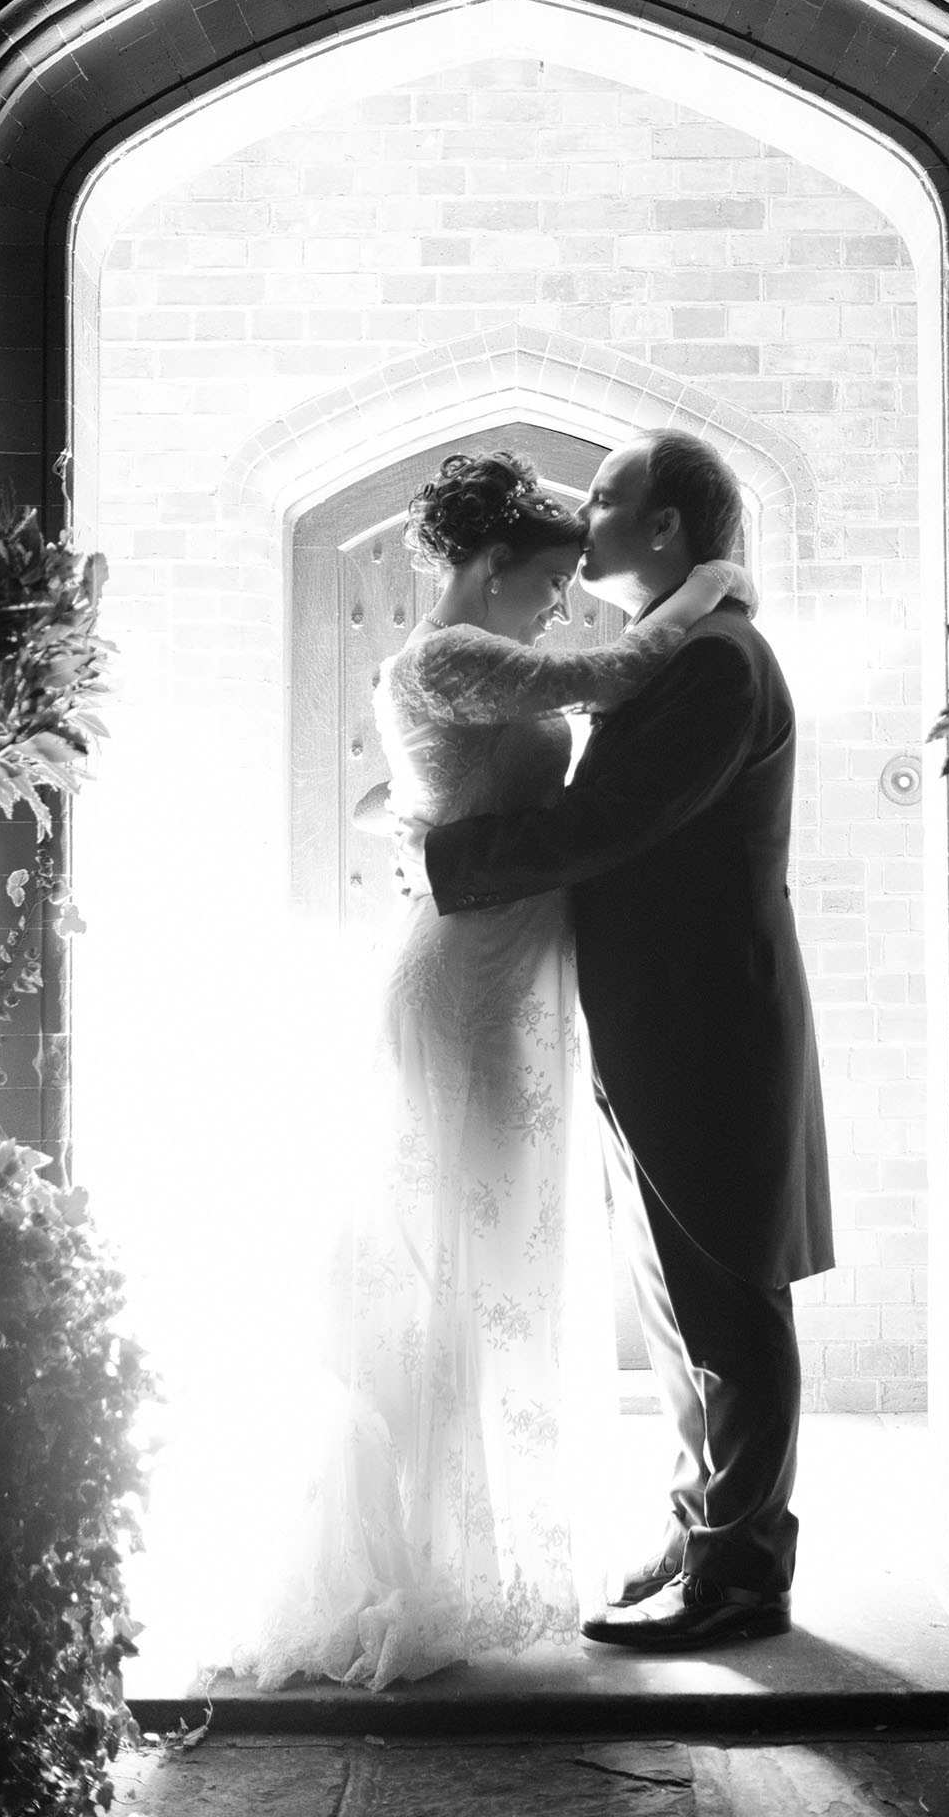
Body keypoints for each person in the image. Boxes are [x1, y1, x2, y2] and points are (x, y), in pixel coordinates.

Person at [243, 449, 753, 1692]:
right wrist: (713, 583)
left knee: (494, 1272)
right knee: (450, 1270)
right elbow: (612, 672)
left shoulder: (458, 666)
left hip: (511, 980)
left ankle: (465, 1547)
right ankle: (424, 1560)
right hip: (466, 988)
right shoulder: (447, 657)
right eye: (544, 583)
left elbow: (418, 795)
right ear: (486, 566)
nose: (555, 604)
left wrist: (423, 822)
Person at [418, 429, 834, 1651]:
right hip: (654, 1011)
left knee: (728, 1300)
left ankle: (741, 1577)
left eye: (603, 495)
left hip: (706, 1018)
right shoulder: (676, 649)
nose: (578, 510)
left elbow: (609, 822)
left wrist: (442, 859)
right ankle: (702, 1526)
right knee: (673, 1299)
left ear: (664, 526)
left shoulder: (715, 662)